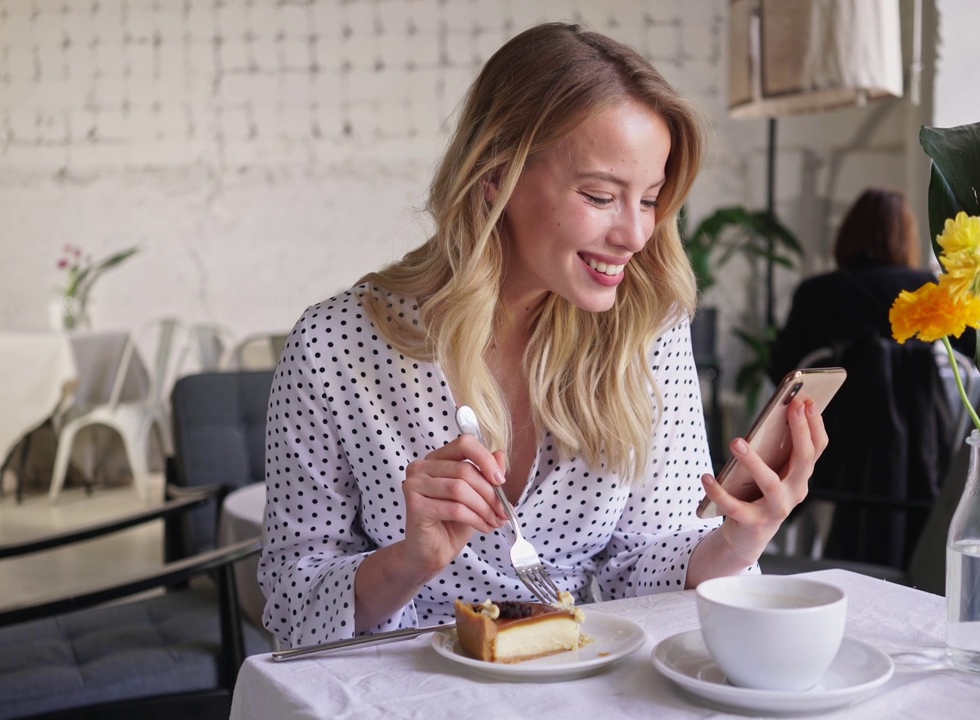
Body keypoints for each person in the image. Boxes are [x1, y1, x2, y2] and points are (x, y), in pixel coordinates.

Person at [259, 22, 828, 649]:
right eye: (600, 195)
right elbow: (290, 606)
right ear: (495, 176)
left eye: (650, 200)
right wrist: (409, 560)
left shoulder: (646, 328)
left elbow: (644, 567)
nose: (635, 236)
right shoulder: (334, 346)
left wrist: (737, 539)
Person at [767, 187, 971, 568]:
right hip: (926, 456)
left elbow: (782, 373)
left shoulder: (818, 294)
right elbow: (969, 372)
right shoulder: (936, 295)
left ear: (848, 234)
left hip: (830, 455)